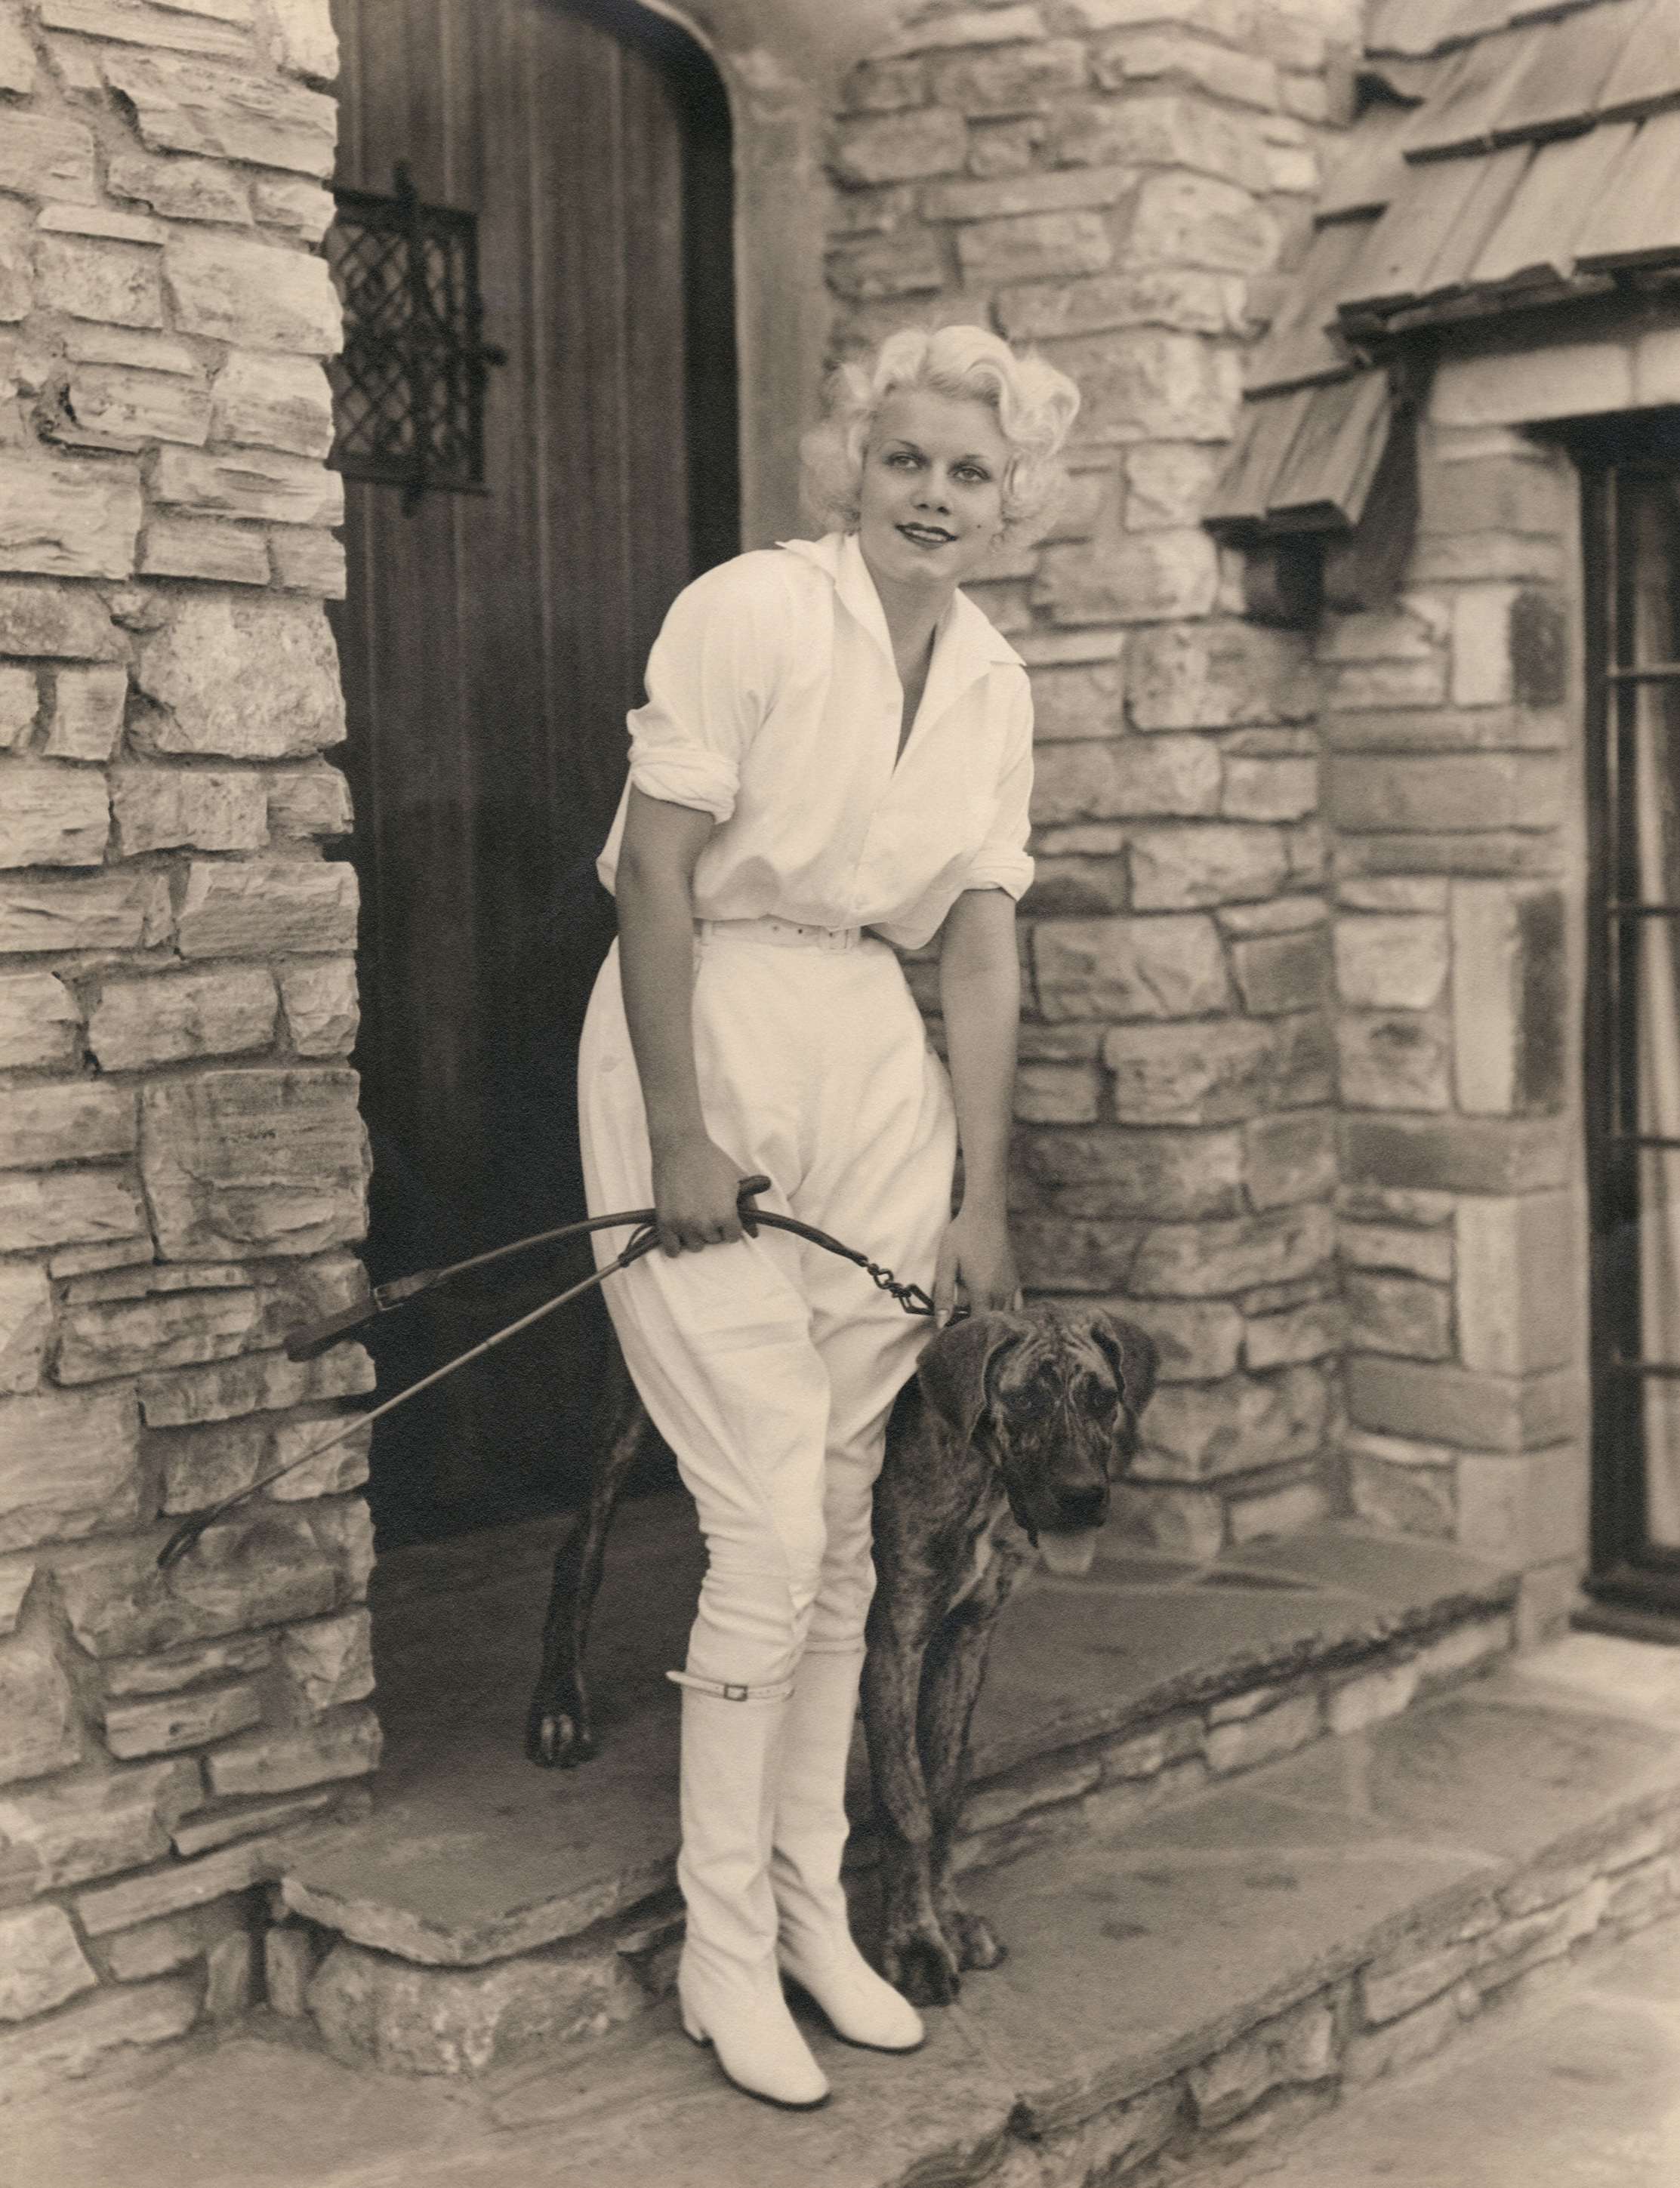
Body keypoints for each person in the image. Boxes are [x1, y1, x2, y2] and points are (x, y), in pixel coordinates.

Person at [578, 324, 1080, 2109]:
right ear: (851, 464)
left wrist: (980, 1198)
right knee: (768, 1527)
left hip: (874, 1056)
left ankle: (811, 1910)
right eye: (906, 459)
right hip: (711, 1023)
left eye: (971, 472)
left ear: (1013, 501)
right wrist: (681, 1131)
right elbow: (654, 870)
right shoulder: (750, 611)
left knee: (854, 1524)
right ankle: (721, 1945)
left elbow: (984, 940)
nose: (934, 495)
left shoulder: (995, 680)